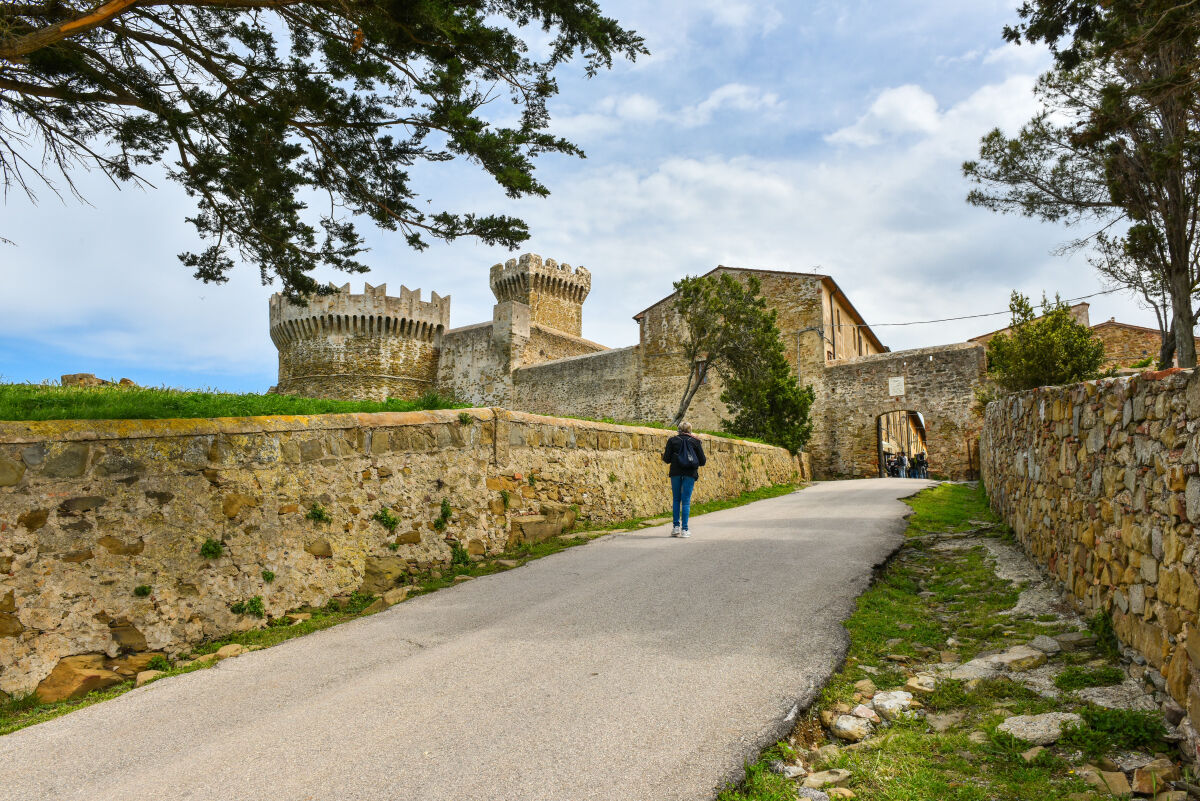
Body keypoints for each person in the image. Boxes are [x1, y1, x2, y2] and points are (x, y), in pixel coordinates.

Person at [662, 421, 706, 538]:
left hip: (676, 472)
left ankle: (675, 527)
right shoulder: (695, 441)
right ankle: (685, 530)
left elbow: (666, 459)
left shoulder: (672, 440)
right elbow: (702, 461)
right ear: (690, 430)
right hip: (690, 473)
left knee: (676, 499)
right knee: (686, 501)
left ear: (679, 430)